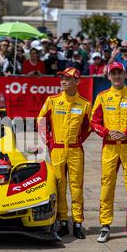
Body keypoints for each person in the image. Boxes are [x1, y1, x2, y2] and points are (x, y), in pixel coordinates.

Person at [90, 62, 127, 243]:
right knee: (107, 184)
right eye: (113, 73)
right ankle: (105, 225)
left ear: (125, 75)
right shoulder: (102, 96)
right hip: (109, 145)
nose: (116, 76)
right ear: (108, 76)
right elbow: (94, 122)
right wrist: (107, 132)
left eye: (119, 73)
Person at [37, 67, 91, 239]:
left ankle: (77, 223)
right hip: (57, 149)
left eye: (68, 79)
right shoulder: (52, 100)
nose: (63, 81)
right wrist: (48, 140)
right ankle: (62, 222)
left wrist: (78, 139)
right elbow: (40, 120)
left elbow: (89, 126)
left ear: (77, 81)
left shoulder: (85, 104)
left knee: (76, 188)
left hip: (75, 150)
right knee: (59, 186)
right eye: (62, 78)